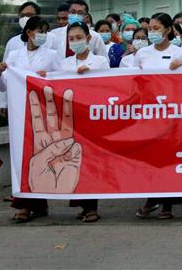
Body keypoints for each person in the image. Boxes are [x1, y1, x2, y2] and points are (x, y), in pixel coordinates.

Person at [0, 16, 59, 222]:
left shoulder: (51, 55)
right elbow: (5, 85)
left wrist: (47, 75)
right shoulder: (14, 55)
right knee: (21, 157)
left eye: (45, 31)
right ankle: (26, 203)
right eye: (40, 30)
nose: (43, 35)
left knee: (38, 155)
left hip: (40, 111)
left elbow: (61, 80)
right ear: (30, 32)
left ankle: (34, 203)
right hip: (18, 111)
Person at [134, 14, 182, 220]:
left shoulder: (181, 54)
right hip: (150, 114)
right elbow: (133, 81)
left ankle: (167, 205)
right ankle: (152, 198)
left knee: (169, 159)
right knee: (152, 159)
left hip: (173, 114)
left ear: (168, 30)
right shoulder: (142, 54)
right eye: (150, 28)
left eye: (157, 28)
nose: (152, 32)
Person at [60, 21, 108, 223]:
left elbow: (107, 87)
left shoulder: (100, 62)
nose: (75, 42)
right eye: (72, 39)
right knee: (73, 162)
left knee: (90, 162)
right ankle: (81, 204)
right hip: (71, 119)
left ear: (88, 39)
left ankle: (92, 207)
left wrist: (88, 75)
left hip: (92, 118)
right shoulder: (63, 64)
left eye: (79, 38)